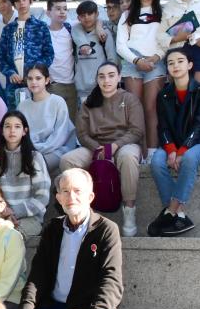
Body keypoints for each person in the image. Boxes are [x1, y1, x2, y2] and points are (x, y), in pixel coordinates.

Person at [8, 169, 123, 309]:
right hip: (55, 308)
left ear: (90, 196)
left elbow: (111, 282)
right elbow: (38, 275)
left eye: (78, 191)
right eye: (66, 191)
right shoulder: (53, 229)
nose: (72, 197)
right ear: (58, 198)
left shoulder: (107, 230)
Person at [59, 62, 143, 237]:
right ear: (97, 79)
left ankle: (129, 210)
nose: (107, 80)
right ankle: (82, 212)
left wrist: (114, 146)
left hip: (123, 145)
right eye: (102, 76)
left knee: (128, 157)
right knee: (67, 160)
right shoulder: (89, 102)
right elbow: (81, 134)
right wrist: (97, 148)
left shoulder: (129, 99)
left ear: (119, 77)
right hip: (95, 147)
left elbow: (137, 131)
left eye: (111, 75)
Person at [148, 48, 200, 236]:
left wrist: (182, 150)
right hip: (175, 144)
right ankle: (180, 216)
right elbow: (163, 127)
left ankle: (171, 210)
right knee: (157, 160)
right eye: (170, 63)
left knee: (190, 159)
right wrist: (170, 150)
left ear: (190, 65)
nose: (175, 65)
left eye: (180, 61)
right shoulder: (164, 94)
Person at [117, 0, 166, 153]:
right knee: (135, 110)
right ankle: (139, 152)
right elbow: (120, 45)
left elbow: (168, 41)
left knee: (151, 108)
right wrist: (136, 60)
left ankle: (152, 152)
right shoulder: (128, 14)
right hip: (133, 62)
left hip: (155, 62)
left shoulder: (163, 12)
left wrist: (157, 56)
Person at [0, 111, 52, 236]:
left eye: (17, 126)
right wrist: (4, 213)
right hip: (1, 216)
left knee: (9, 237)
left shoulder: (35, 158)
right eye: (7, 126)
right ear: (1, 131)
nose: (12, 130)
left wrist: (14, 212)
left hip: (31, 218)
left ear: (24, 131)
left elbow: (42, 196)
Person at [0, 0, 54, 107]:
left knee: (38, 116)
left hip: (36, 83)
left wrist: (37, 72)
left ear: (31, 1)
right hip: (14, 84)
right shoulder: (8, 29)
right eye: (18, 1)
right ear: (14, 4)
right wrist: (10, 73)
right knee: (16, 118)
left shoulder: (41, 26)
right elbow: (1, 57)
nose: (21, 3)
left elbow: (49, 54)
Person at [15, 64, 76, 172]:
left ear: (47, 80)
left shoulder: (57, 102)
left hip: (55, 150)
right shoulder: (22, 106)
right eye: (30, 79)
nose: (34, 82)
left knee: (34, 165)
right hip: (29, 150)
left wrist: (36, 149)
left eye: (38, 78)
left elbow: (60, 136)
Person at [73, 0, 118, 104]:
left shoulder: (104, 33)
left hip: (102, 87)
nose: (87, 17)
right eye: (83, 15)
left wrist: (113, 81)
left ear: (97, 14)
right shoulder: (75, 33)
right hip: (82, 88)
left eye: (90, 14)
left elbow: (112, 59)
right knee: (85, 118)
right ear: (78, 18)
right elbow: (75, 28)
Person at [45, 0, 80, 123]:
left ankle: (71, 143)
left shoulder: (71, 27)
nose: (62, 12)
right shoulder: (44, 32)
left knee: (71, 121)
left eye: (65, 9)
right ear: (48, 13)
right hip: (53, 84)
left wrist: (98, 27)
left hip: (71, 83)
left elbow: (96, 20)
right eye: (58, 9)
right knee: (54, 121)